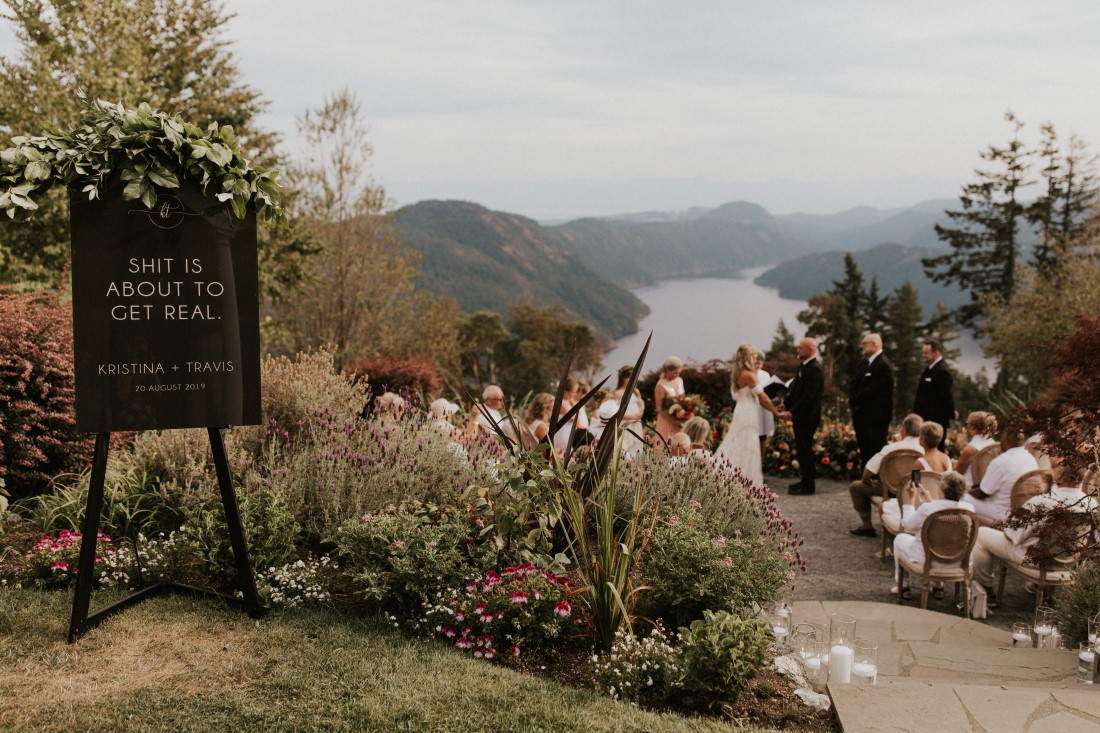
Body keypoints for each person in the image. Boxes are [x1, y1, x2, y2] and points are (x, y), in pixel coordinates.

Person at [971, 459, 1095, 607]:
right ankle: (1040, 588)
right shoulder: (1092, 504)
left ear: (1060, 476)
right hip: (1069, 562)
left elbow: (1012, 536)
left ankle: (985, 591)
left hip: (1037, 561)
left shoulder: (1042, 501)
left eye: (1055, 466)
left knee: (982, 534)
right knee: (1035, 540)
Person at [890, 472, 974, 600]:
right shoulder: (969, 509)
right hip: (958, 561)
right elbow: (945, 509)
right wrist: (930, 501)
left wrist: (911, 501)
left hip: (928, 560)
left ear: (942, 489)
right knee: (945, 540)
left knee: (899, 539)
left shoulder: (928, 508)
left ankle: (904, 586)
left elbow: (907, 526)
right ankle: (938, 586)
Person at [715, 343, 788, 486]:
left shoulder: (738, 373)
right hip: (748, 413)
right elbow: (763, 397)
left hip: (741, 410)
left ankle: (738, 476)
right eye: (754, 356)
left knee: (739, 442)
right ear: (749, 357)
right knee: (747, 444)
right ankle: (745, 478)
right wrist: (776, 411)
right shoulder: (749, 375)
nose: (756, 359)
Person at [848, 413, 924, 538]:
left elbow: (868, 471)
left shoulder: (891, 449)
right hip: (913, 491)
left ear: (903, 429)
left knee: (855, 487)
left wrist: (866, 479)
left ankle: (867, 525)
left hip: (889, 490)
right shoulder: (923, 449)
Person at [967, 427, 1039, 523]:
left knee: (962, 497)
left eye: (1001, 439)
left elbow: (983, 494)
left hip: (1002, 512)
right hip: (1022, 511)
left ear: (1006, 440)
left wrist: (967, 491)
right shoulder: (1030, 458)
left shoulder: (1000, 461)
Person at [848, 333, 895, 471]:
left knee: (874, 448)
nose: (862, 346)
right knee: (865, 448)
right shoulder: (865, 363)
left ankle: (876, 477)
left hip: (875, 417)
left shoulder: (883, 365)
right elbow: (855, 382)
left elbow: (874, 390)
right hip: (862, 415)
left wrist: (854, 399)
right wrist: (850, 397)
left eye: (864, 343)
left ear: (874, 345)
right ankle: (866, 475)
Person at [786, 337, 824, 495]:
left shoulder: (815, 368)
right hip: (800, 416)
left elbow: (808, 396)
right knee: (801, 449)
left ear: (810, 349)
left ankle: (809, 486)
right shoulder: (803, 366)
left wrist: (792, 412)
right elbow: (796, 391)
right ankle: (804, 480)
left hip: (808, 417)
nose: (798, 350)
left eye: (800, 348)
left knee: (805, 449)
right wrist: (786, 404)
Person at [912, 340, 956, 451]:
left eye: (926, 353)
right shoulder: (930, 369)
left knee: (934, 450)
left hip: (936, 422)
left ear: (936, 352)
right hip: (925, 421)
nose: (923, 356)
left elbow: (946, 396)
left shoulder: (942, 371)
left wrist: (951, 413)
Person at [955, 412, 999, 487]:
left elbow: (958, 473)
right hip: (989, 485)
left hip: (970, 488)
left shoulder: (971, 448)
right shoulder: (993, 444)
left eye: (967, 423)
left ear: (973, 427)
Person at [654, 356, 686, 443]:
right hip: (667, 420)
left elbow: (683, 399)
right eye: (675, 373)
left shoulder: (679, 380)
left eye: (679, 373)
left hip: (680, 420)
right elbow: (659, 408)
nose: (677, 375)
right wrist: (674, 421)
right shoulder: (660, 385)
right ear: (667, 370)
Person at [754, 350, 776, 465]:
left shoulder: (765, 374)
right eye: (757, 359)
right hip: (754, 408)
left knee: (762, 437)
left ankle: (760, 465)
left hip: (764, 409)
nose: (759, 362)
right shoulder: (749, 374)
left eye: (761, 359)